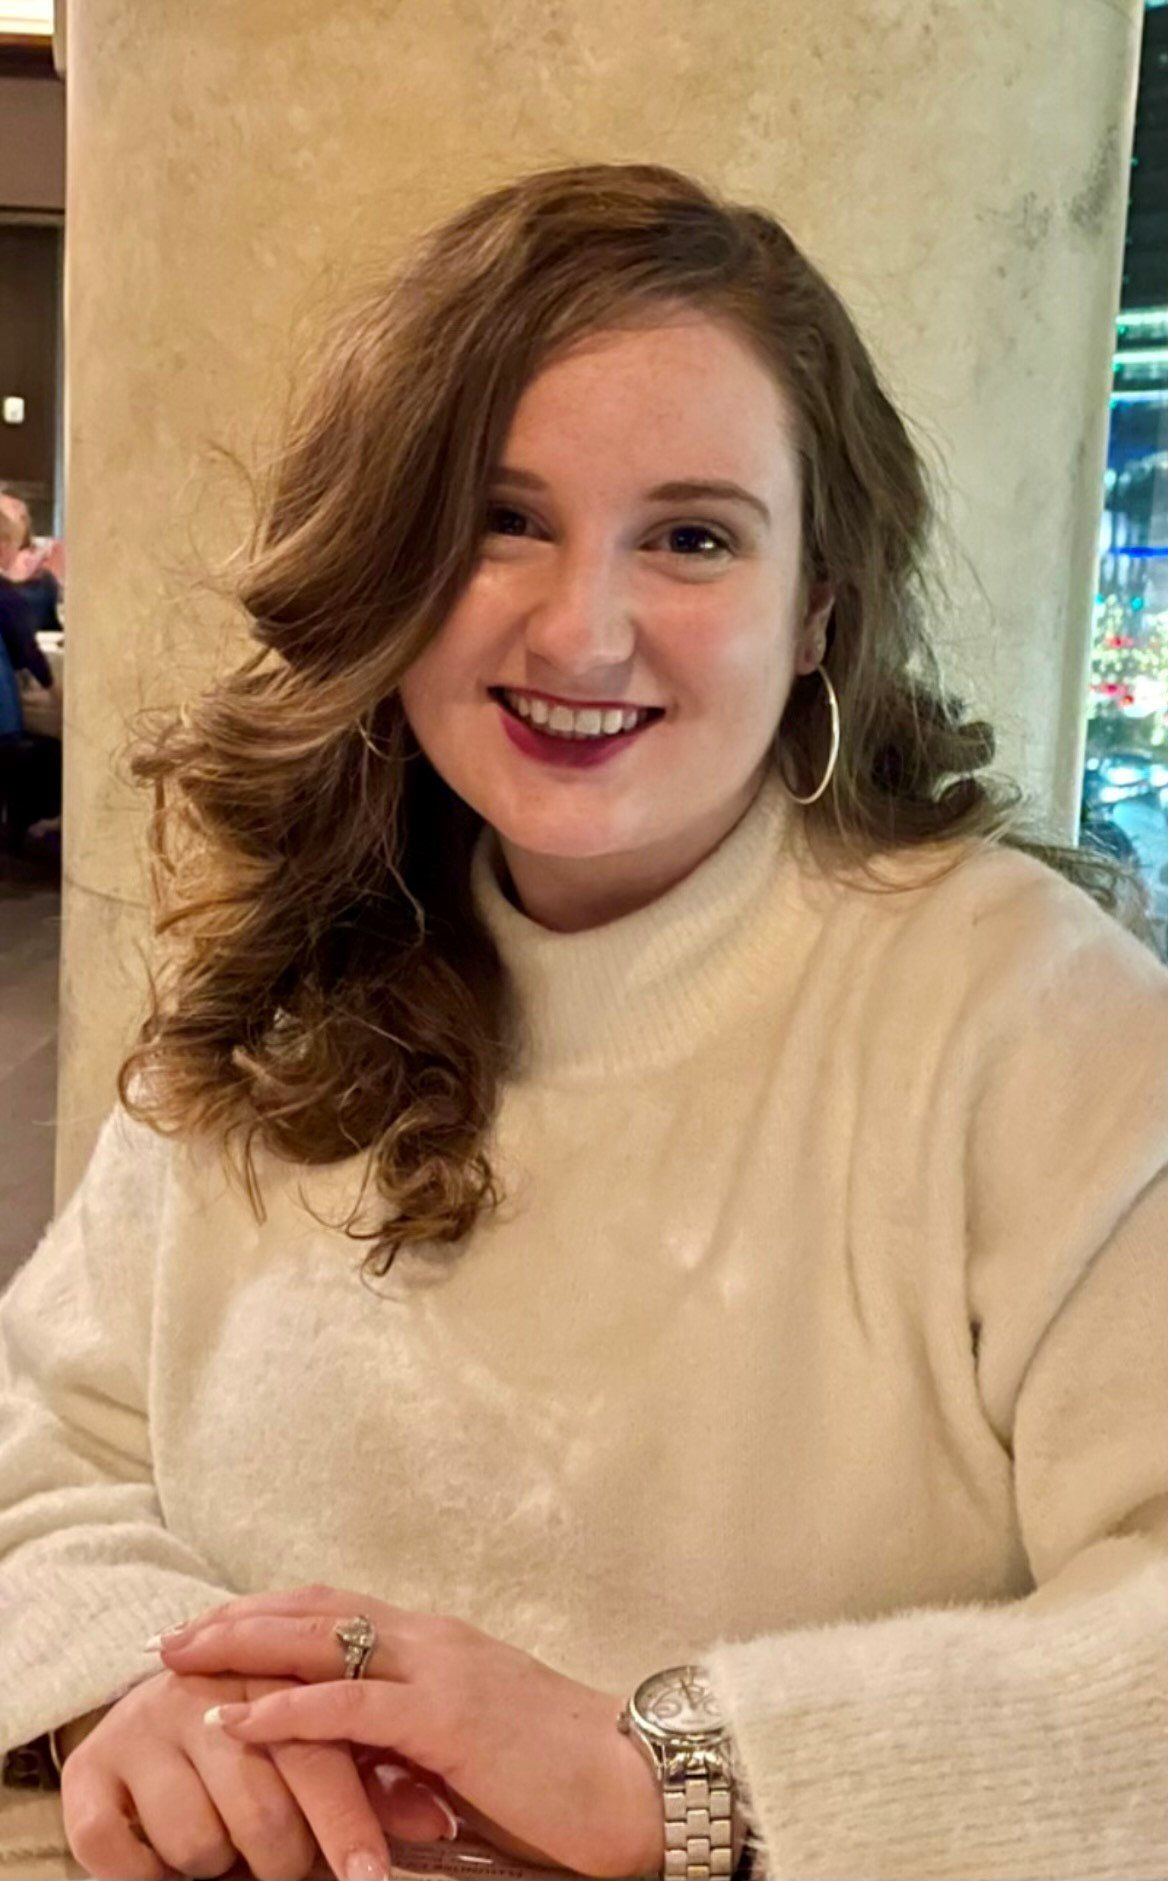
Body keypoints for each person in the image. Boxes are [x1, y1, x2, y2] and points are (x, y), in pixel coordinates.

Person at [1, 160, 1166, 1881]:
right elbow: (47, 1442)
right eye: (500, 518)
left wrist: (681, 1776)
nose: (583, 626)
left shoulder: (1026, 1015)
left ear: (818, 613)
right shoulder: (291, 972)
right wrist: (135, 1684)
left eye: (691, 536)